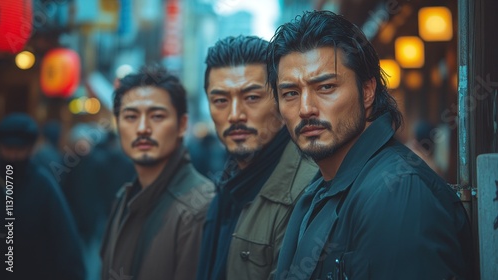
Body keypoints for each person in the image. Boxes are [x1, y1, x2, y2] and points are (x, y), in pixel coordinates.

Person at [266, 10, 473, 280]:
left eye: (326, 87)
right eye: (291, 93)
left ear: (367, 91)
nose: (306, 108)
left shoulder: (398, 192)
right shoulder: (323, 187)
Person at [196, 35, 318, 280]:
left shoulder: (308, 190)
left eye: (251, 97)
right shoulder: (229, 185)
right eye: (220, 100)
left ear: (281, 100)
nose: (235, 115)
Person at [100, 65, 215, 280]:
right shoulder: (123, 198)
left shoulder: (200, 207)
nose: (143, 128)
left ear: (182, 125)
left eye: (157, 116)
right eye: (131, 117)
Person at [0, 113, 86, 280]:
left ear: (31, 149)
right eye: (9, 149)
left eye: (19, 150)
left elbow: (65, 243)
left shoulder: (43, 185)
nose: (13, 156)